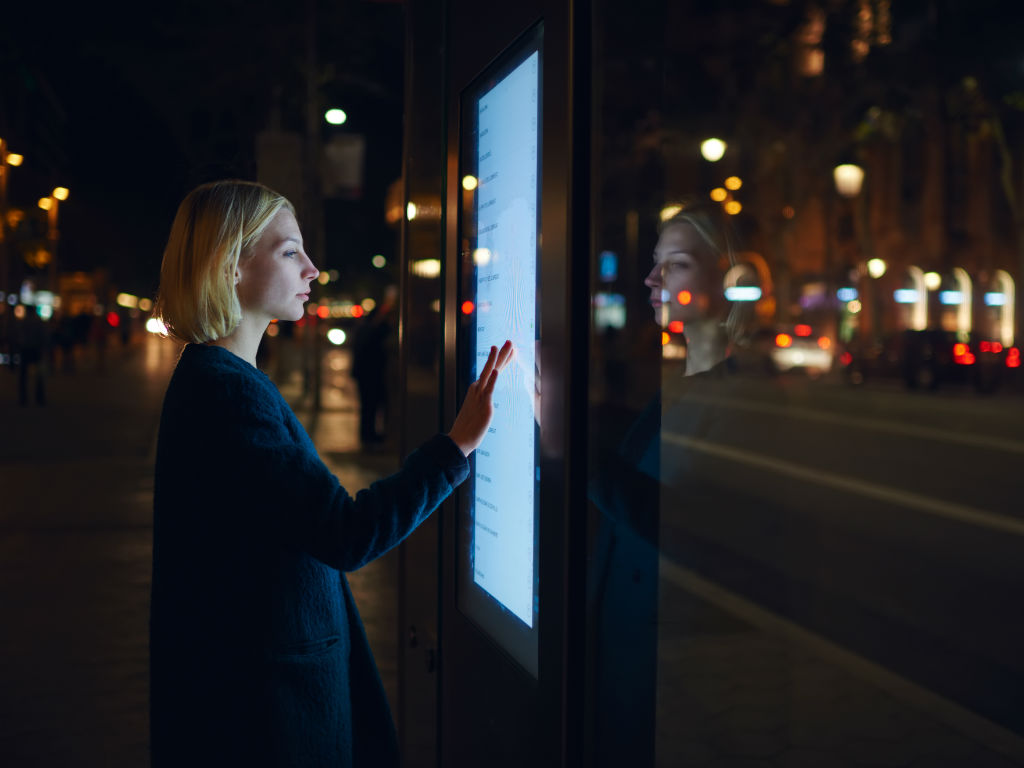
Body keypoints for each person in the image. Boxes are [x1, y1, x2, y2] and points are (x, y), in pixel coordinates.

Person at [149, 180, 512, 767]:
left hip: (250, 695)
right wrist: (457, 446)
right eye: (290, 251)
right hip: (267, 713)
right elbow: (347, 532)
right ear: (231, 266)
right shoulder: (228, 393)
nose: (313, 269)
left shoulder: (216, 379)